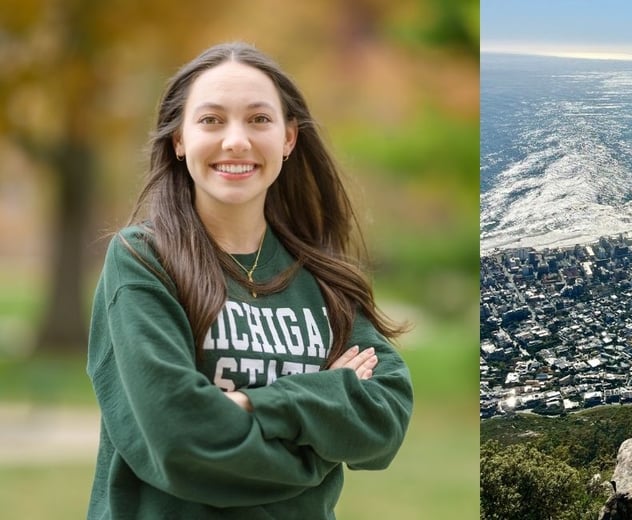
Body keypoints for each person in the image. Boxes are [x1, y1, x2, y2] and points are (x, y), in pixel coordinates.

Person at [86, 42, 413, 519]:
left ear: (289, 138)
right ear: (179, 139)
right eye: (211, 120)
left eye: (259, 120)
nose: (236, 140)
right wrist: (318, 441)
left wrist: (246, 405)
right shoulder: (144, 260)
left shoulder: (323, 275)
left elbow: (383, 418)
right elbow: (179, 441)